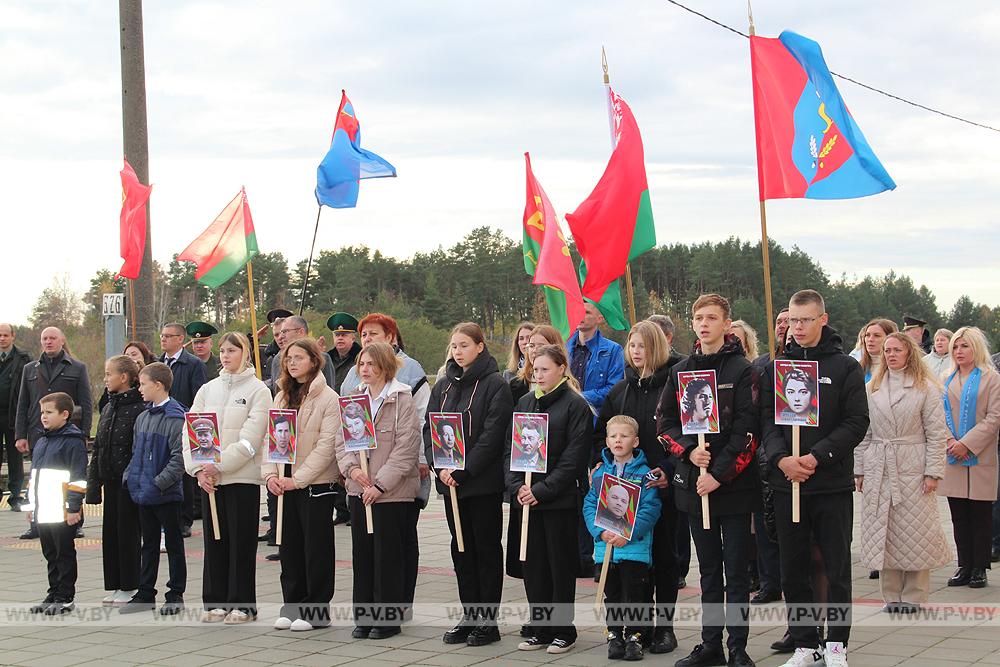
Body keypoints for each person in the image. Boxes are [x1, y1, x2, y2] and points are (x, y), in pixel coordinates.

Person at [761, 290, 869, 667]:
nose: (798, 327)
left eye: (806, 320)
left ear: (823, 319)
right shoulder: (777, 367)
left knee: (836, 567)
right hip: (787, 485)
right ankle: (806, 643)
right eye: (792, 320)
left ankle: (836, 644)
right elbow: (766, 424)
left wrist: (816, 456)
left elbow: (856, 421)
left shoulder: (844, 368)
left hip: (830, 484)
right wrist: (781, 459)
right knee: (793, 567)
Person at [658, 294, 759, 667]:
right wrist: (687, 451)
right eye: (698, 317)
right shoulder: (680, 371)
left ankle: (738, 647)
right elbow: (664, 422)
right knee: (709, 570)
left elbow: (748, 432)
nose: (704, 324)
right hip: (693, 486)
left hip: (731, 487)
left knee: (736, 570)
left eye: (711, 317)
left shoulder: (742, 370)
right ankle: (710, 643)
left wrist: (718, 474)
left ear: (725, 324)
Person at [595, 320, 683, 654]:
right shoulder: (620, 391)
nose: (636, 352)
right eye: (632, 346)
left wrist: (668, 468)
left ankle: (665, 628)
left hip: (662, 487)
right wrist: (599, 464)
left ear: (658, 347)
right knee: (633, 563)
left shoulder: (673, 385)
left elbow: (684, 434)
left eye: (643, 346)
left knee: (664, 557)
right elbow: (600, 434)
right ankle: (638, 628)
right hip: (622, 492)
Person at [424, 322, 513, 646]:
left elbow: (492, 435)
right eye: (454, 346)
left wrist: (464, 470)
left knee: (485, 550)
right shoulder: (444, 385)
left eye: (464, 345)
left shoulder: (494, 385)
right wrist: (439, 467)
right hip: (451, 485)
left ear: (479, 346)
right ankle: (469, 614)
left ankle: (488, 621)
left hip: (481, 484)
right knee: (460, 549)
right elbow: (430, 428)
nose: (458, 351)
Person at [854, 333, 951, 612]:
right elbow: (865, 433)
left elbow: (935, 433)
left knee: (916, 531)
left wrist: (933, 472)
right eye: (887, 350)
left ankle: (914, 595)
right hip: (878, 466)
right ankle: (891, 595)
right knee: (885, 530)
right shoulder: (872, 387)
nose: (891, 355)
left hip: (912, 464)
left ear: (909, 352)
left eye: (897, 349)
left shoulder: (925, 388)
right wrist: (859, 469)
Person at [506, 344, 593, 655]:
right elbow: (511, 451)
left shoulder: (575, 405)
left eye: (544, 369)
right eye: (535, 368)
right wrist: (516, 485)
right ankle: (540, 628)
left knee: (559, 567)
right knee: (534, 567)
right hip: (526, 501)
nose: (538, 374)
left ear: (561, 369)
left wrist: (542, 491)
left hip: (557, 501)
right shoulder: (526, 402)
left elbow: (573, 458)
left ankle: (562, 630)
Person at [185, 332, 271, 624]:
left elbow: (252, 438)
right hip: (210, 480)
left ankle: (243, 603)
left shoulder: (259, 390)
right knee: (215, 540)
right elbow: (191, 430)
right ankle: (215, 600)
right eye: (222, 350)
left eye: (232, 350)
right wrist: (198, 468)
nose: (225, 355)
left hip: (241, 479)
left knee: (241, 543)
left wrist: (219, 466)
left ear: (244, 353)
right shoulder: (208, 389)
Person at [337, 341, 421, 640]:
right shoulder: (353, 399)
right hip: (360, 489)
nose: (365, 369)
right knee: (363, 554)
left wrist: (380, 484)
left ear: (385, 366)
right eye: (362, 364)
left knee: (388, 556)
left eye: (371, 364)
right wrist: (353, 470)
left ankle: (388, 618)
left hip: (391, 493)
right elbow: (341, 442)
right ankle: (364, 614)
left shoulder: (401, 399)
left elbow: (406, 448)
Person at [263, 337, 341, 632]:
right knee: (290, 547)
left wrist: (297, 480)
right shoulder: (282, 395)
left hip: (314, 485)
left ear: (314, 360)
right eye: (288, 358)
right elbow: (270, 438)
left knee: (316, 549)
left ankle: (316, 610)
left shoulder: (328, 398)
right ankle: (292, 604)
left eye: (298, 357)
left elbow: (326, 446)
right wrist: (271, 475)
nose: (292, 363)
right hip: (283, 483)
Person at [585, 415, 661, 661]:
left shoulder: (645, 474)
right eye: (614, 436)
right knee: (613, 594)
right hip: (605, 545)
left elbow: (651, 509)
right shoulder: (599, 473)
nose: (618, 440)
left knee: (635, 593)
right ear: (606, 441)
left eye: (624, 436)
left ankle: (635, 636)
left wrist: (629, 534)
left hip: (634, 548)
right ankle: (615, 634)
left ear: (635, 441)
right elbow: (589, 505)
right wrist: (600, 532)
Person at [120, 362, 187, 615]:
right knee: (148, 544)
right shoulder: (143, 417)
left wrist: (158, 483)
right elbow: (136, 452)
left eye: (143, 384)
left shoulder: (176, 417)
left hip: (165, 494)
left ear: (158, 385)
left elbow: (179, 459)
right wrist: (131, 478)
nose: (139, 389)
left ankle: (175, 593)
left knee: (173, 544)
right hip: (143, 492)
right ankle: (146, 592)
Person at [14, 327, 92, 540]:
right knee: (39, 477)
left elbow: (85, 402)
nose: (48, 342)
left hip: (68, 434)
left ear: (62, 341)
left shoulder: (77, 367)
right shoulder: (30, 369)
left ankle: (75, 521)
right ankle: (37, 522)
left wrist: (83, 434)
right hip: (38, 431)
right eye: (44, 338)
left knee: (70, 477)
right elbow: (23, 404)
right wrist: (20, 434)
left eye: (52, 338)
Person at [938, 326, 1000, 588]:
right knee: (959, 515)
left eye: (964, 346)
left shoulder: (991, 378)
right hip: (952, 455)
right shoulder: (945, 379)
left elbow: (994, 417)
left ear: (976, 348)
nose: (959, 351)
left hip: (980, 455)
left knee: (981, 514)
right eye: (955, 347)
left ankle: (979, 568)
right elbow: (936, 416)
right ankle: (964, 565)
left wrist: (967, 444)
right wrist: (951, 441)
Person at [86, 355, 145, 606]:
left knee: (128, 533)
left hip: (128, 483)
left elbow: (138, 448)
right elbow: (98, 447)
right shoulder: (109, 406)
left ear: (124, 377)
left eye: (109, 374)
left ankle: (130, 585)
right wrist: (93, 485)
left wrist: (131, 477)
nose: (105, 378)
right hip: (110, 479)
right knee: (110, 534)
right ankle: (116, 583)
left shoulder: (139, 408)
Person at [23, 392, 86, 615]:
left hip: (62, 510)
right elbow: (34, 477)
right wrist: (30, 506)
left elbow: (78, 478)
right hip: (44, 509)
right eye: (42, 412)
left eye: (49, 412)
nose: (44, 417)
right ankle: (53, 592)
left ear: (65, 414)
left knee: (64, 553)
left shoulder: (73, 442)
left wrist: (73, 507)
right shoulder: (41, 441)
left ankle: (66, 596)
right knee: (50, 553)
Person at [649, 314, 695, 593]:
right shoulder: (625, 386)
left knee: (676, 529)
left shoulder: (680, 370)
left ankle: (679, 568)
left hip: (674, 465)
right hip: (640, 472)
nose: (641, 349)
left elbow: (679, 422)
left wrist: (673, 462)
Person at [159, 322, 207, 537]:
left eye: (169, 336)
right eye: (162, 336)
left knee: (184, 471)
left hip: (183, 424)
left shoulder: (193, 364)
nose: (164, 339)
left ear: (180, 339)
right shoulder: (158, 363)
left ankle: (184, 519)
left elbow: (198, 397)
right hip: (160, 426)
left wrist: (186, 417)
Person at [567, 302, 625, 416]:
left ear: (600, 318)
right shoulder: (563, 348)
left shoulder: (613, 350)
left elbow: (614, 389)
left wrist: (578, 397)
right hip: (567, 417)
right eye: (578, 311)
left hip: (596, 420)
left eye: (587, 312)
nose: (580, 315)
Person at [0, 323, 30, 510]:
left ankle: (15, 495)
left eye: (5, 335)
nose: (2, 338)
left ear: (12, 336)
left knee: (15, 456)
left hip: (14, 414)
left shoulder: (23, 358)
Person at [276, 317, 336, 389]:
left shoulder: (322, 358)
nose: (281, 337)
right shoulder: (277, 359)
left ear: (301, 332)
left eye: (285, 331)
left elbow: (327, 390)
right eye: (288, 359)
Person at [510, 324, 563, 403]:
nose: (534, 350)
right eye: (531, 346)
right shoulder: (516, 385)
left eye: (541, 346)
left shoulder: (569, 388)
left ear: (555, 349)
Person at [327, 312, 361, 392]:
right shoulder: (327, 359)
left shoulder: (361, 358)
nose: (340, 338)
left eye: (344, 335)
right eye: (337, 335)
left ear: (353, 338)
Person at [859, 318, 898, 383]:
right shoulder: (857, 368)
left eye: (877, 336)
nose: (870, 339)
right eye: (867, 335)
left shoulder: (898, 369)